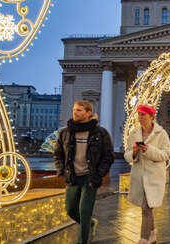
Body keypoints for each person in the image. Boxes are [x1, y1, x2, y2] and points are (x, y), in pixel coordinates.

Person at [54, 101, 114, 244]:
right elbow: (58, 154)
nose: (75, 112)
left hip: (90, 178)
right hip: (72, 177)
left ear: (88, 113)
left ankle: (83, 240)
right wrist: (62, 171)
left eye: (79, 110)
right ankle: (91, 224)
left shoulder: (100, 133)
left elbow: (108, 156)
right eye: (74, 109)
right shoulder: (65, 132)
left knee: (84, 213)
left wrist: (99, 174)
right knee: (70, 210)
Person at [124, 104, 170, 244]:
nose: (140, 117)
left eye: (143, 115)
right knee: (147, 207)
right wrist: (133, 152)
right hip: (139, 177)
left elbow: (165, 154)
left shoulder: (161, 134)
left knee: (146, 207)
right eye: (139, 114)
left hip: (153, 177)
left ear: (151, 117)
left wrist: (147, 150)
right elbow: (126, 154)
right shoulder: (134, 133)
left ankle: (144, 238)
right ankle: (152, 235)